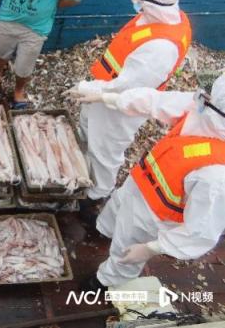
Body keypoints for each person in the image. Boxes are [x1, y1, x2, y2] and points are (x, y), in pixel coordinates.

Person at [78, 75, 225, 289]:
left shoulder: (217, 175)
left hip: (152, 216)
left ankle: (106, 281)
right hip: (141, 181)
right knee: (116, 207)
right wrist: (108, 98)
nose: (201, 98)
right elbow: (157, 101)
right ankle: (103, 229)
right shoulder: (205, 112)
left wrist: (151, 248)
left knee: (126, 252)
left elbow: (200, 231)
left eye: (208, 98)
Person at [68, 0, 192, 213]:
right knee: (88, 134)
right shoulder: (160, 18)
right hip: (105, 90)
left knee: (105, 149)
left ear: (153, 3)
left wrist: (90, 89)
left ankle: (95, 197)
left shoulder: (161, 47)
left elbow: (129, 87)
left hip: (120, 106)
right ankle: (79, 170)